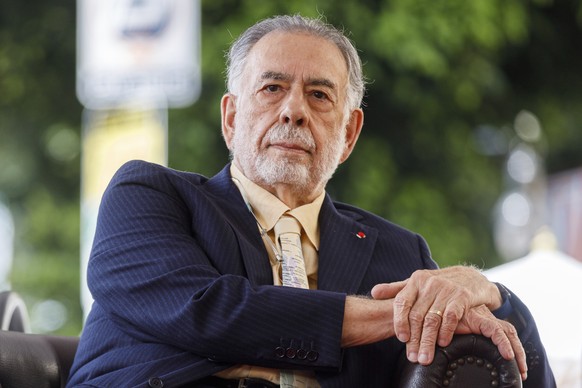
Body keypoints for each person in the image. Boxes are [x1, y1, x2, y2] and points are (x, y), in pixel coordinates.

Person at [67, 14, 555, 387]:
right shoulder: (149, 197)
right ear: (232, 118)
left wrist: (483, 290)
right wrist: (399, 311)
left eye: (320, 96)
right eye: (272, 88)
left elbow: (528, 376)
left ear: (348, 134)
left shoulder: (400, 254)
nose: (294, 111)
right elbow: (208, 312)